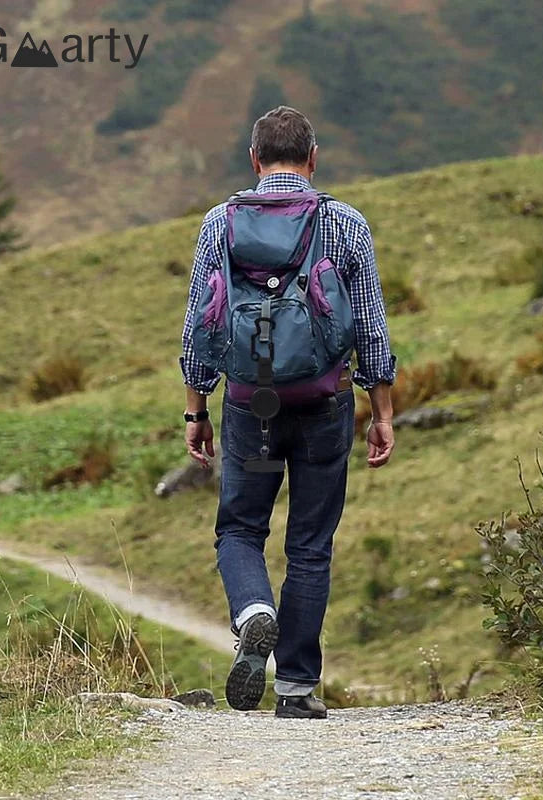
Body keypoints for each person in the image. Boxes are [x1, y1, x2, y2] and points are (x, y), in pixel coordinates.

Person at [179, 106, 397, 719]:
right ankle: (297, 688)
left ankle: (254, 612)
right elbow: (372, 329)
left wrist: (196, 409)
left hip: (252, 404)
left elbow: (201, 323)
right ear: (313, 157)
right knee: (310, 544)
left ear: (254, 159)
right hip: (326, 402)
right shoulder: (345, 224)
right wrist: (381, 410)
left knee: (240, 528)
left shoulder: (219, 224)